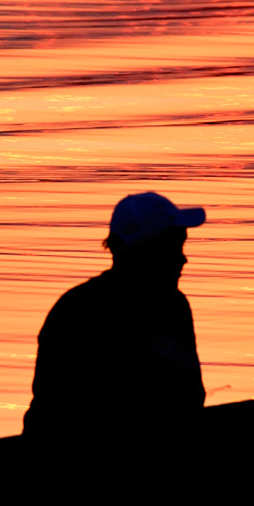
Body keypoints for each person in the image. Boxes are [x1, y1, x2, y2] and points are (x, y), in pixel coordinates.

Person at [23, 191, 206, 454]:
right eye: (174, 248)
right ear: (147, 252)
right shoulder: (78, 312)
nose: (183, 259)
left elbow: (190, 397)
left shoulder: (173, 306)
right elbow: (59, 411)